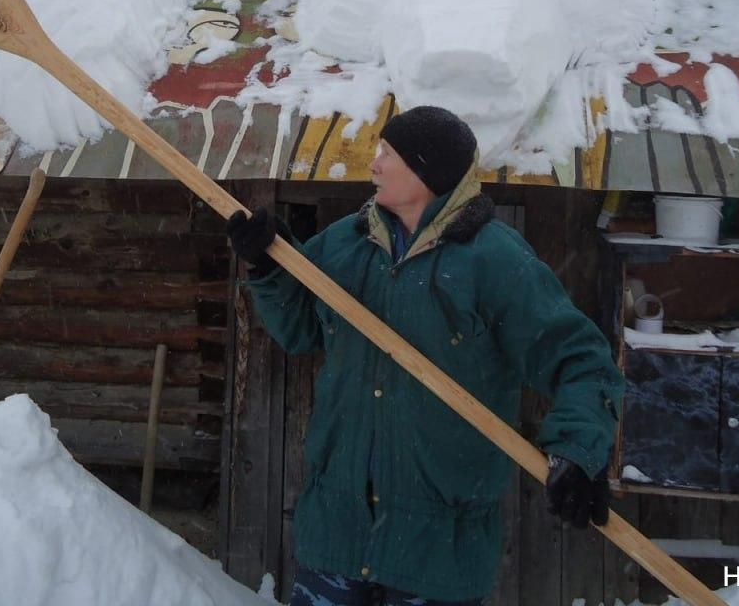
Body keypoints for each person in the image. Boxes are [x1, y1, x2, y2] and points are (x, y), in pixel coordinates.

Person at [227, 106, 624, 606]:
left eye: (387, 154)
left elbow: (581, 361)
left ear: (425, 172)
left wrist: (580, 449)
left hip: (438, 551)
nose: (374, 164)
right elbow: (301, 329)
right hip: (336, 534)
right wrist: (270, 267)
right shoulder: (347, 244)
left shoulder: (494, 260)